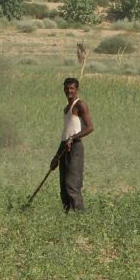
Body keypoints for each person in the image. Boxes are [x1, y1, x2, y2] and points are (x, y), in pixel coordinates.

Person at [52, 77, 94, 212]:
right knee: (63, 186)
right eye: (66, 88)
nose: (69, 91)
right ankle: (67, 216)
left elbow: (90, 127)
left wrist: (73, 138)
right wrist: (56, 157)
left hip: (75, 147)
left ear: (77, 90)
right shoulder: (66, 109)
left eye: (71, 88)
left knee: (72, 185)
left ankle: (81, 217)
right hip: (65, 147)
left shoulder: (80, 105)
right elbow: (65, 135)